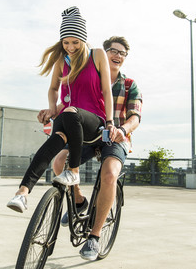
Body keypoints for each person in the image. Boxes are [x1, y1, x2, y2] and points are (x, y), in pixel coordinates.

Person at [38, 36, 142, 261]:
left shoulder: (128, 85)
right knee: (59, 162)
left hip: (115, 137)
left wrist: (122, 130)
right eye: (113, 51)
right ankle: (78, 199)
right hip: (89, 134)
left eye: (122, 53)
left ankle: (94, 237)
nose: (117, 56)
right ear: (102, 55)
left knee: (110, 174)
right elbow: (68, 102)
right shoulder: (88, 72)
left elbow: (135, 116)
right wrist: (51, 111)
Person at [7, 6, 117, 213]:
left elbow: (106, 91)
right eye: (66, 43)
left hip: (93, 121)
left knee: (70, 112)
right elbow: (53, 88)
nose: (70, 47)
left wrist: (109, 122)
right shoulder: (62, 60)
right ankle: (22, 193)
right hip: (69, 118)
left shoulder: (97, 55)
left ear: (83, 39)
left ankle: (73, 171)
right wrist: (51, 109)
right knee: (51, 145)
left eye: (75, 42)